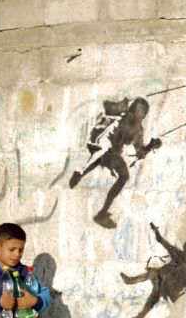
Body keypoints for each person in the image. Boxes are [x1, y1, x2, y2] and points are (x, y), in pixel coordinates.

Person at [69, 97, 162, 229]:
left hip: (112, 153)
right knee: (104, 154)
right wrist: (148, 147)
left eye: (143, 112)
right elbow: (116, 137)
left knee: (122, 174)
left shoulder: (137, 128)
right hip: (105, 145)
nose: (140, 114)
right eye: (138, 110)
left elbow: (139, 152)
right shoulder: (125, 120)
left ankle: (101, 212)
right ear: (133, 109)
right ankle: (80, 173)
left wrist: (151, 146)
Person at [120, 222, 186, 318]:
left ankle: (141, 316)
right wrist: (156, 231)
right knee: (153, 273)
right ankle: (130, 281)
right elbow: (161, 241)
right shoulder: (178, 255)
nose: (185, 252)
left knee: (156, 291)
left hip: (169, 289)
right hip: (161, 277)